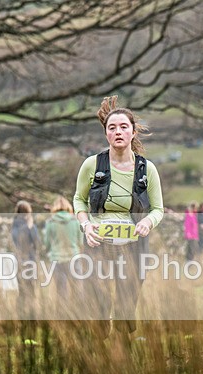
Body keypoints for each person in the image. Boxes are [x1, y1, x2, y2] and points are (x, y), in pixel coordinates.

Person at [72, 95, 164, 338]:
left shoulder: (147, 169)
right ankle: (99, 340)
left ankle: (122, 344)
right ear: (106, 134)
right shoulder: (92, 165)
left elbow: (158, 209)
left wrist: (147, 221)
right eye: (112, 128)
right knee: (96, 294)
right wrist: (86, 225)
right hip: (98, 241)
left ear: (133, 132)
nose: (118, 131)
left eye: (124, 127)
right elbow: (79, 200)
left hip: (134, 243)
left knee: (127, 297)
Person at [43, 196, 82, 301]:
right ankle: (78, 313)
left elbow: (47, 244)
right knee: (77, 289)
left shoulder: (50, 222)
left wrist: (50, 251)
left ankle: (62, 314)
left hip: (57, 259)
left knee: (61, 290)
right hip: (73, 257)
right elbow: (80, 242)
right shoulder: (75, 221)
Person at [11, 200, 40, 317]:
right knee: (31, 291)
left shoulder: (13, 226)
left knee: (21, 291)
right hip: (30, 261)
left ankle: (20, 316)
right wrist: (30, 227)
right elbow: (37, 243)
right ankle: (32, 316)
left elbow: (15, 241)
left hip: (19, 261)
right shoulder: (29, 226)